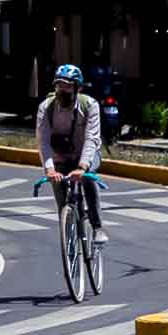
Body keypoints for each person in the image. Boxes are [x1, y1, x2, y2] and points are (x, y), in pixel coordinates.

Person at [36, 63, 108, 243]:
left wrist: (83, 167)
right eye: (59, 85)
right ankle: (68, 234)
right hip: (60, 156)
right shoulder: (46, 107)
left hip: (86, 155)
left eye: (68, 86)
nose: (63, 90)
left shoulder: (90, 105)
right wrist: (49, 170)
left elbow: (92, 138)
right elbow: (43, 140)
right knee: (61, 197)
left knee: (88, 179)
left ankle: (98, 227)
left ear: (78, 88)